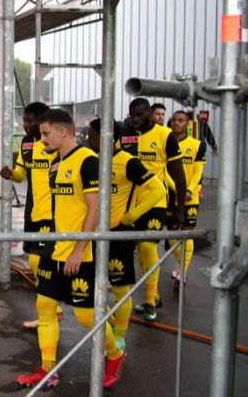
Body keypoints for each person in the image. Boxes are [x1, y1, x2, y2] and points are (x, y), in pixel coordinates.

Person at [15, 109, 125, 390]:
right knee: (45, 307)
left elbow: (95, 208)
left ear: (64, 132)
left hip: (82, 252)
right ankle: (47, 369)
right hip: (56, 247)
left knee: (86, 315)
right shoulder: (57, 163)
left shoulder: (88, 161)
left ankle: (115, 354)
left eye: (46, 134)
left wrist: (78, 250)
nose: (42, 140)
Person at [87, 118, 167, 351]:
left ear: (107, 137)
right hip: (94, 234)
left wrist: (133, 215)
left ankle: (120, 336)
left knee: (120, 288)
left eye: (91, 135)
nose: (88, 139)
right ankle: (110, 323)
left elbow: (157, 190)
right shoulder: (92, 161)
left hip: (119, 235)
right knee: (91, 286)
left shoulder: (128, 163)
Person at [121, 97, 186, 321]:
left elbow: (178, 173)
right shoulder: (125, 133)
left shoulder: (164, 135)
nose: (136, 119)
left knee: (148, 247)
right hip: (129, 203)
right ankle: (154, 294)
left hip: (155, 200)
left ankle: (149, 302)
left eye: (140, 115)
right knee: (140, 251)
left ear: (150, 113)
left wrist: (179, 209)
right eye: (133, 115)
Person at [0, 102, 63, 329]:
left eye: (29, 121)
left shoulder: (56, 145)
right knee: (35, 261)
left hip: (53, 213)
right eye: (24, 120)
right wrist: (10, 174)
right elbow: (20, 175)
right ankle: (51, 312)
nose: (25, 125)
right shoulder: (26, 144)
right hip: (33, 211)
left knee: (40, 261)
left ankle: (53, 311)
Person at [169, 110, 206, 284]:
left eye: (181, 120)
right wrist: (176, 190)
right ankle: (179, 264)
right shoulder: (166, 142)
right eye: (174, 120)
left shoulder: (197, 145)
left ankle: (181, 270)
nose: (177, 123)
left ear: (187, 123)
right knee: (171, 235)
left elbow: (198, 171)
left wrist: (189, 191)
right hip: (170, 196)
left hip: (190, 198)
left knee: (186, 233)